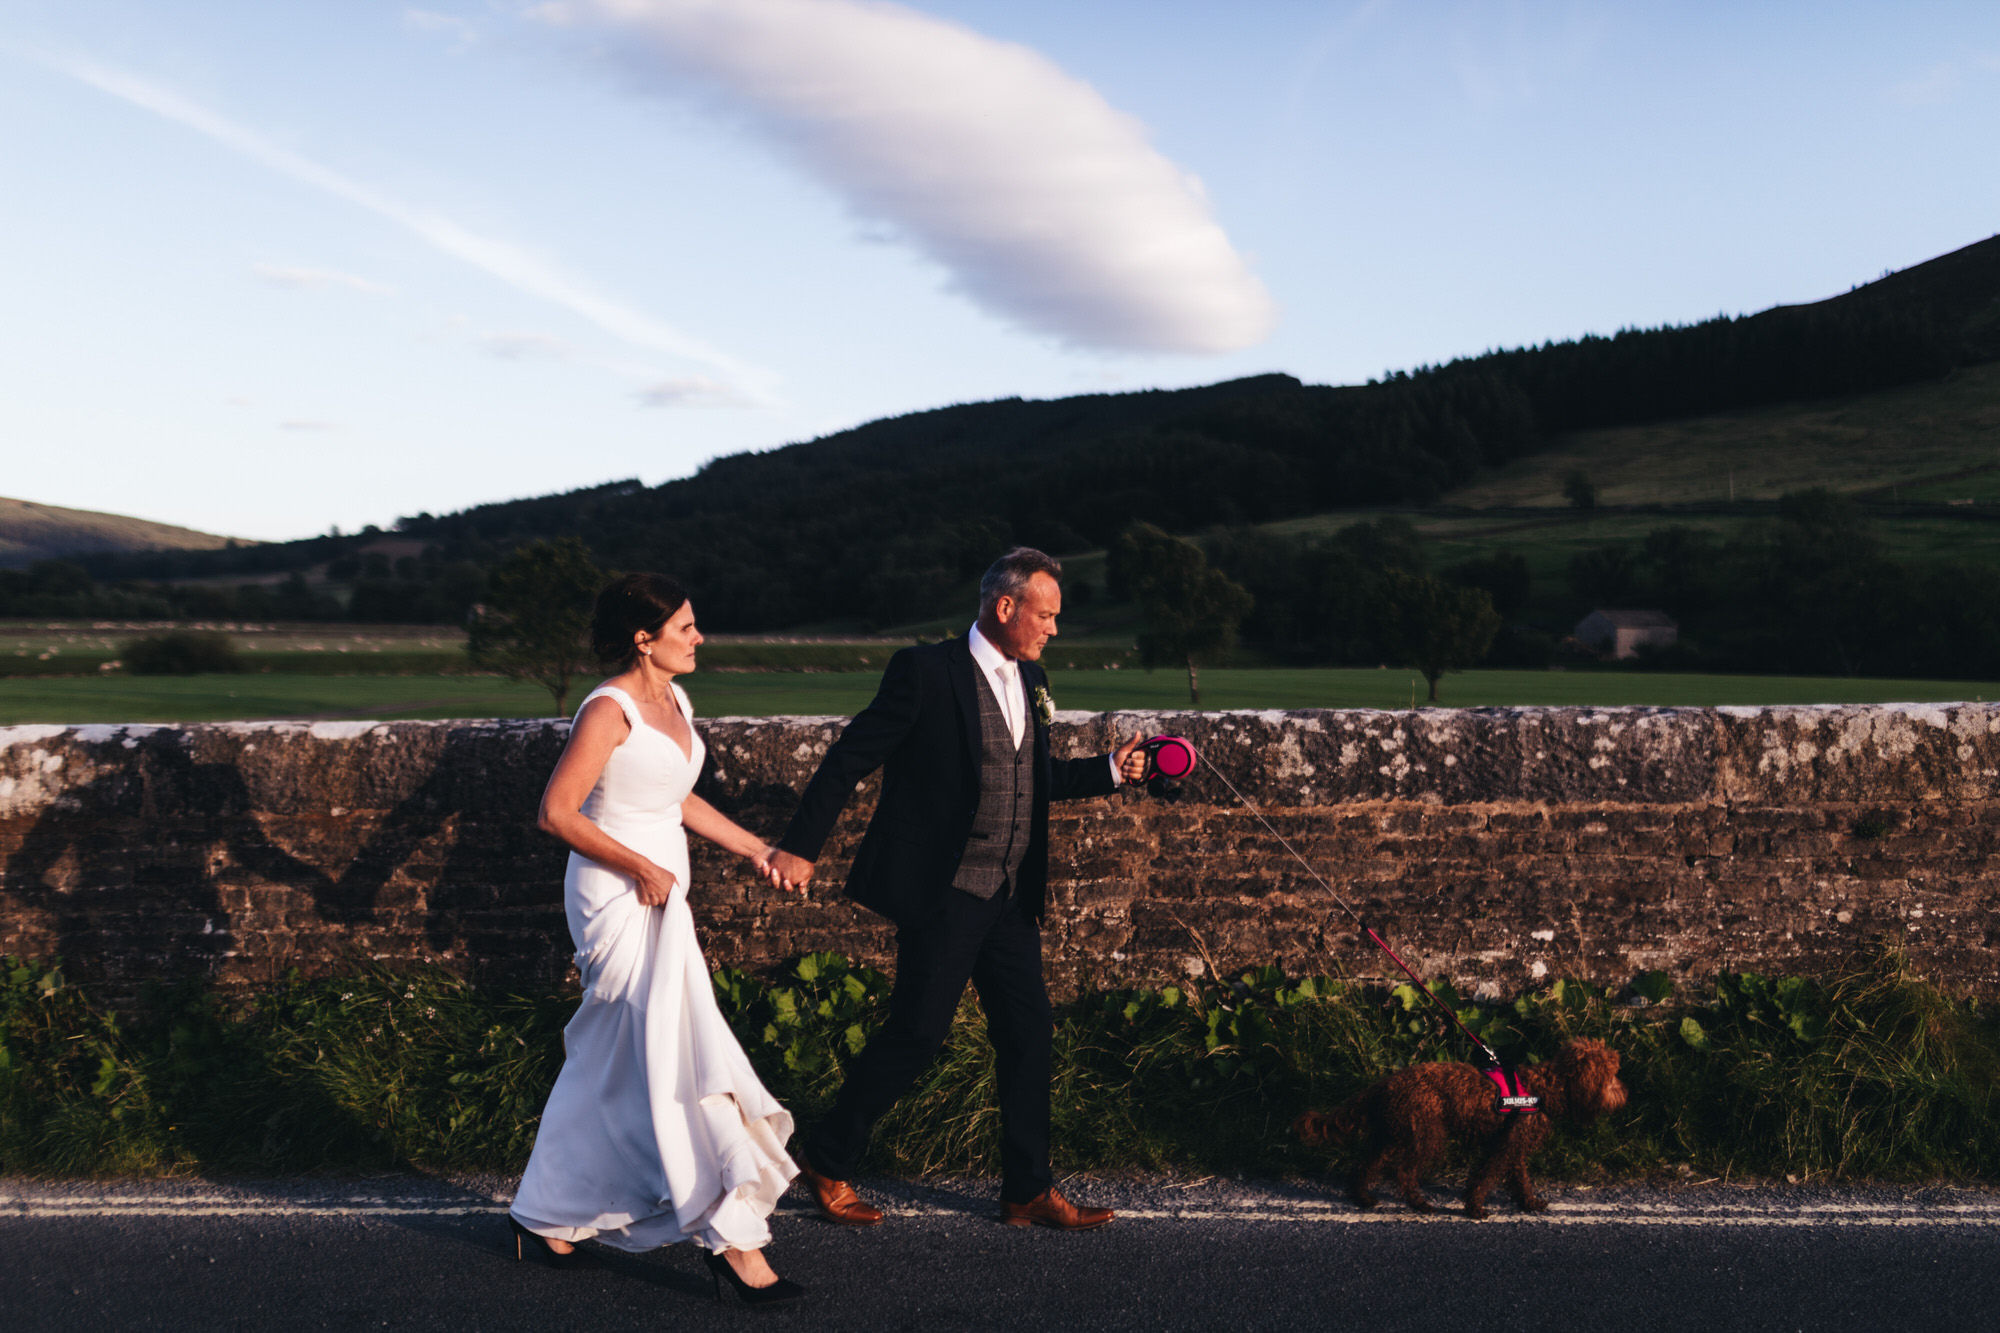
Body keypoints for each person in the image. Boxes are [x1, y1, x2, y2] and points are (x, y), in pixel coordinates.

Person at [767, 547, 1148, 1230]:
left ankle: (1027, 1190)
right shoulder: (925, 671)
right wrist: (800, 845)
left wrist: (1110, 773)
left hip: (1009, 896)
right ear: (1006, 607)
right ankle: (826, 1157)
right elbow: (851, 754)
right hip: (944, 890)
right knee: (916, 1033)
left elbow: (1030, 777)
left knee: (1030, 1033)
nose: (1054, 629)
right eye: (1048, 614)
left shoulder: (1032, 675)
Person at [509, 573, 804, 1307]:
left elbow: (676, 796)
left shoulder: (675, 699)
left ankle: (546, 1214)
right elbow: (556, 811)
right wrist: (637, 863)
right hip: (617, 893)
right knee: (675, 1051)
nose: (699, 636)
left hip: (667, 892)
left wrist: (756, 850)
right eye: (686, 626)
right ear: (645, 638)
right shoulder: (607, 708)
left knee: (611, 1061)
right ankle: (732, 1238)